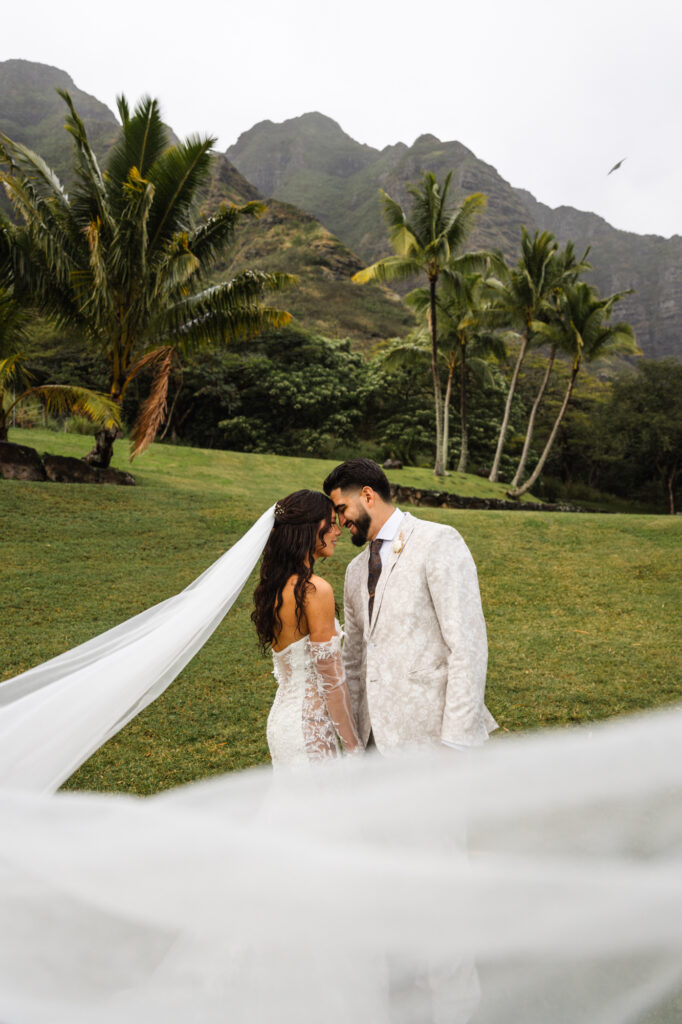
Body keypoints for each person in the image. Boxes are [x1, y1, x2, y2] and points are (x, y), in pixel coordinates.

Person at [323, 459, 497, 753]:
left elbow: (467, 645)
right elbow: (353, 660)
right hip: (372, 743)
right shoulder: (354, 571)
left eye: (342, 509)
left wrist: (457, 741)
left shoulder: (438, 541)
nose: (341, 522)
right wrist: (354, 742)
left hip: (432, 739)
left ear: (368, 495)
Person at [251, 489, 362, 767]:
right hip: (310, 729)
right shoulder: (314, 590)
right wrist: (353, 747)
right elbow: (331, 680)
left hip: (282, 723)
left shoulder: (274, 588)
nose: (338, 531)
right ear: (310, 529)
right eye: (330, 523)